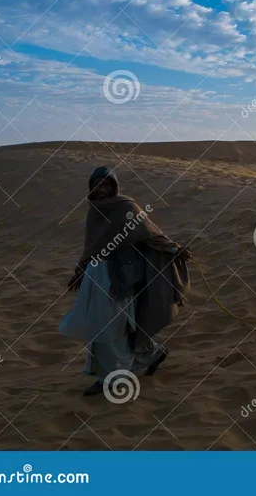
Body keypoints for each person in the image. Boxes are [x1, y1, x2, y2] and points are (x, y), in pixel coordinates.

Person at [60, 166, 191, 397]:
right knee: (102, 325)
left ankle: (110, 379)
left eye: (106, 185)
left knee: (113, 326)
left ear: (114, 186)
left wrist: (175, 250)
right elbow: (91, 246)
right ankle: (151, 354)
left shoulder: (127, 208)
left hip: (121, 277)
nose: (101, 190)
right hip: (96, 275)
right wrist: (80, 272)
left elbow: (151, 234)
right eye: (96, 185)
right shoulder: (95, 212)